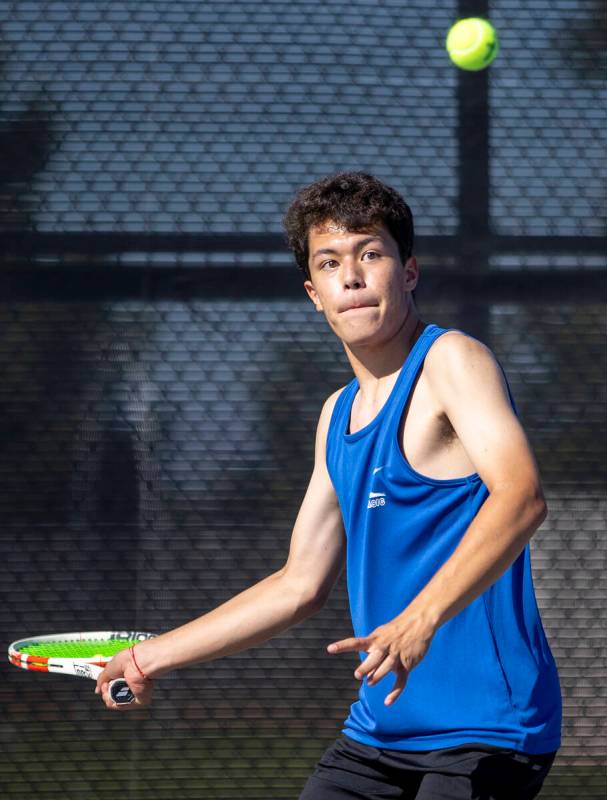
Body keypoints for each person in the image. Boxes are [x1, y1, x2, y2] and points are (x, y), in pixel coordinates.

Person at [96, 171, 562, 799]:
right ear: (315, 293)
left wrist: (420, 618)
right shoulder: (335, 416)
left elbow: (521, 495)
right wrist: (152, 656)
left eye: (371, 254)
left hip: (487, 733)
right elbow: (298, 585)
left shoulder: (452, 361)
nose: (353, 276)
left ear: (410, 271)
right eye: (331, 262)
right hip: (378, 735)